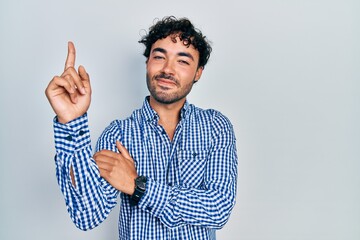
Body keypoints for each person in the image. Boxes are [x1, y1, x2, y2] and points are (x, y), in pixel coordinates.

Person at [45, 16, 238, 240]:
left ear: (198, 73)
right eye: (159, 57)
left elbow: (218, 209)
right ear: (147, 62)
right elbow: (88, 215)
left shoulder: (216, 126)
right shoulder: (118, 134)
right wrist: (71, 123)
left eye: (182, 61)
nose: (167, 69)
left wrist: (138, 187)